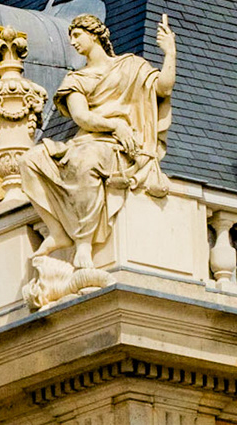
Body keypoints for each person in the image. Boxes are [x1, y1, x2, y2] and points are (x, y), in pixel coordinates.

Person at [18, 13, 176, 267]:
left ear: (94, 35)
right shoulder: (76, 79)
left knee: (86, 161)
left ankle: (83, 243)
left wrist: (169, 52)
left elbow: (164, 87)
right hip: (93, 137)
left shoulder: (130, 66)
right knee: (29, 160)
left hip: (120, 148)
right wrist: (115, 125)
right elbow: (82, 117)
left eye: (77, 35)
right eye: (70, 37)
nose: (73, 42)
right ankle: (57, 231)